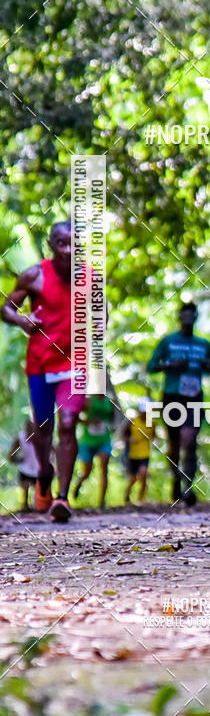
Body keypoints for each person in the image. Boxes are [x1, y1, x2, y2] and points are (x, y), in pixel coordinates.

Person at [1, 222, 87, 523]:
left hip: (74, 364)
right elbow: (7, 308)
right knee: (43, 428)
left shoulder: (90, 279)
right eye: (61, 243)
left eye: (74, 244)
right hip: (40, 363)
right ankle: (44, 472)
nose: (67, 250)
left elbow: (99, 321)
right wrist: (24, 322)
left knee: (68, 422)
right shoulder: (34, 275)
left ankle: (62, 498)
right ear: (51, 245)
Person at [147, 302, 210, 505]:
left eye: (191, 316)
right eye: (184, 316)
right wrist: (169, 365)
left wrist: (207, 365)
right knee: (174, 444)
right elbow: (151, 366)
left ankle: (188, 487)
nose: (187, 320)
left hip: (193, 397)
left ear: (195, 317)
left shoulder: (203, 344)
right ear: (179, 317)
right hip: (172, 397)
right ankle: (175, 481)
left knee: (190, 441)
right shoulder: (169, 342)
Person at [72, 394, 115, 508]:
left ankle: (102, 502)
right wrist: (88, 421)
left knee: (104, 467)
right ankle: (78, 483)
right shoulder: (88, 401)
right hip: (87, 441)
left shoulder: (109, 402)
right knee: (87, 472)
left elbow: (112, 419)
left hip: (104, 440)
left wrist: (107, 424)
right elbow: (75, 417)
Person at [123, 399, 154, 503]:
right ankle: (127, 492)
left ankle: (141, 500)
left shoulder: (152, 423)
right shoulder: (132, 421)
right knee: (133, 478)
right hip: (133, 453)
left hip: (145, 452)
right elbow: (123, 435)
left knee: (144, 474)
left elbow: (153, 436)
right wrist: (129, 439)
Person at [8, 421, 40, 511]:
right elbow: (11, 456)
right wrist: (18, 459)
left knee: (41, 495)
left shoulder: (41, 437)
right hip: (25, 470)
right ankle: (25, 505)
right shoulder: (20, 438)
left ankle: (39, 504)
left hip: (39, 470)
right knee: (25, 484)